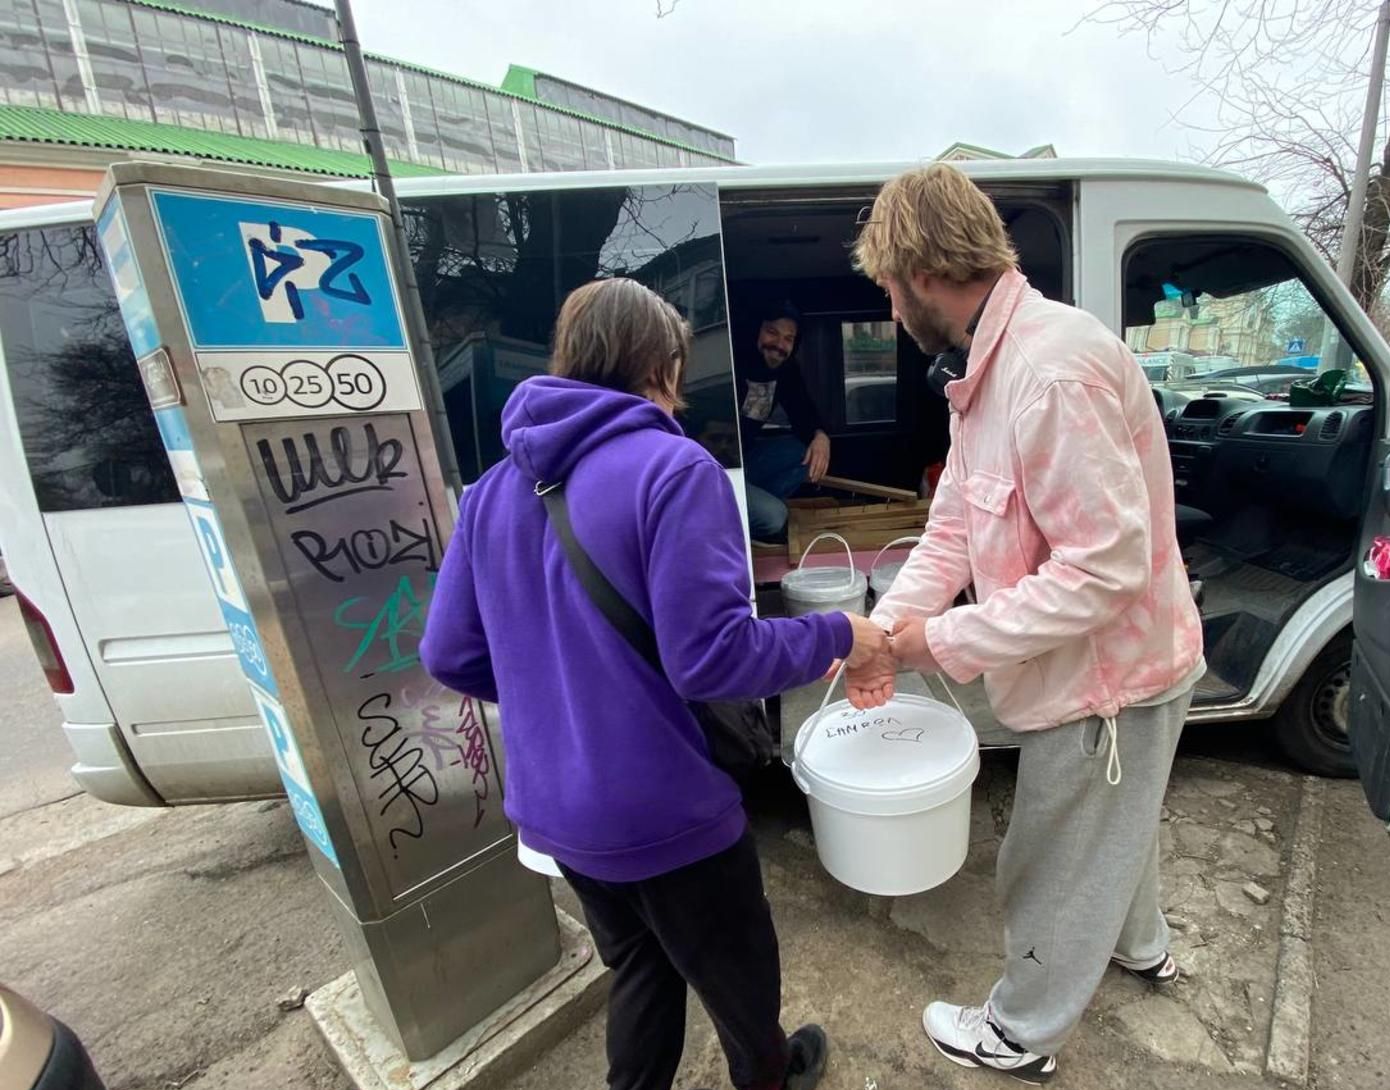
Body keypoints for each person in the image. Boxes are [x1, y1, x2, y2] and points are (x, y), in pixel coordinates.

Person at [422, 278, 892, 1090]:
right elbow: (711, 658)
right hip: (665, 808)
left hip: (556, 810)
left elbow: (449, 654)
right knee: (739, 983)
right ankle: (768, 1075)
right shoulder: (676, 470)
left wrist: (560, 692)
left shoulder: (493, 490)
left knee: (640, 966)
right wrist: (842, 632)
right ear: (665, 366)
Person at [850, 164, 1206, 1084]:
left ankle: (1020, 1030)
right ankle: (1141, 947)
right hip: (1091, 669)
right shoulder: (989, 372)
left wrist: (946, 642)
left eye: (888, 288)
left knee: (1050, 855)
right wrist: (886, 631)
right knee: (1117, 827)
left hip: (1109, 682)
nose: (890, 310)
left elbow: (1107, 569)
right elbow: (955, 527)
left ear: (924, 270)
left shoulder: (1049, 373)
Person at [736, 302, 831, 543]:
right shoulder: (732, 361)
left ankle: (751, 504)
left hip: (745, 460)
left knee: (802, 452)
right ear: (756, 331)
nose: (780, 344)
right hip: (717, 472)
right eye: (772, 332)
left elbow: (803, 410)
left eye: (788, 339)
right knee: (775, 517)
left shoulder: (785, 370)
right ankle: (735, 522)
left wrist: (820, 435)